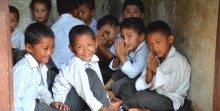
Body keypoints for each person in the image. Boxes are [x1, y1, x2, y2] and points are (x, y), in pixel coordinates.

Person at [120, 20, 191, 111]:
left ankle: (127, 107)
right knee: (126, 87)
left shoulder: (178, 61)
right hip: (154, 95)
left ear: (170, 39)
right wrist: (149, 72)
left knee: (142, 96)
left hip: (169, 101)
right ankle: (140, 108)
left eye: (158, 42)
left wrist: (156, 70)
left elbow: (170, 88)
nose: (154, 48)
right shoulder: (155, 58)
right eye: (150, 44)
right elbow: (145, 83)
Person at [52, 25, 122, 111]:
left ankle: (107, 106)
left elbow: (99, 84)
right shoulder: (76, 64)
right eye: (80, 47)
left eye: (89, 45)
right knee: (89, 73)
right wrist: (103, 109)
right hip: (65, 104)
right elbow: (84, 92)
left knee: (91, 76)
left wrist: (107, 100)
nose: (86, 50)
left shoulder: (93, 59)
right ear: (71, 48)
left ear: (96, 43)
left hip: (77, 99)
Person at [13, 23, 69, 111]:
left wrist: (51, 102)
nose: (50, 52)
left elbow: (39, 89)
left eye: (52, 47)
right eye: (45, 48)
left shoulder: (39, 65)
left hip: (34, 106)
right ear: (29, 48)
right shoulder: (24, 68)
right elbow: (15, 101)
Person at [105, 17, 149, 98]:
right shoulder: (131, 48)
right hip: (132, 74)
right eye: (123, 37)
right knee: (120, 72)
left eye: (129, 36)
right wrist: (119, 56)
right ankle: (104, 88)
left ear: (141, 37)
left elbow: (133, 74)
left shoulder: (144, 50)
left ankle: (109, 94)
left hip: (141, 81)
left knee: (127, 80)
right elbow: (116, 67)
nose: (125, 41)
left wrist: (122, 56)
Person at [51, 0, 84, 69]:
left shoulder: (52, 28)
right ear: (76, 10)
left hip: (56, 69)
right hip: (77, 68)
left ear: (57, 12)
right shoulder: (81, 25)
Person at [96, 14, 121, 83]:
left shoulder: (120, 38)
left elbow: (109, 56)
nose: (106, 37)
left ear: (118, 29)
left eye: (107, 33)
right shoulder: (110, 40)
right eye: (103, 35)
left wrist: (99, 45)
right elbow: (102, 59)